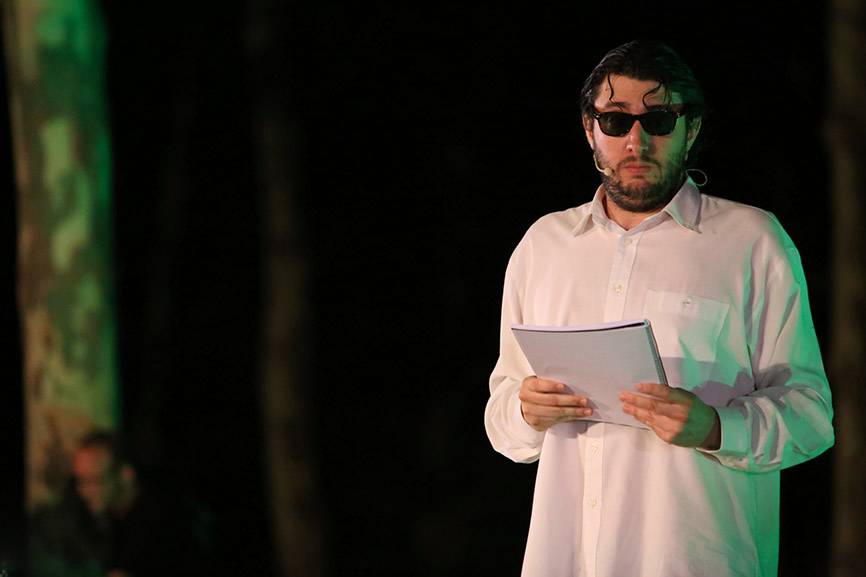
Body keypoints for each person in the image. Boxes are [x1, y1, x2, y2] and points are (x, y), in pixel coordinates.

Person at [484, 40, 834, 577]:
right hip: (567, 558)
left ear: (690, 129)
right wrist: (526, 411)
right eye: (615, 120)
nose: (637, 141)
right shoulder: (544, 245)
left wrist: (716, 427)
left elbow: (810, 416)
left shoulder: (751, 241)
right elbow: (503, 417)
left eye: (659, 120)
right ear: (590, 130)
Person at [30, 430, 212, 577]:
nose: (84, 492)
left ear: (126, 476)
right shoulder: (110, 519)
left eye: (95, 481)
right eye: (80, 482)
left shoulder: (160, 523)